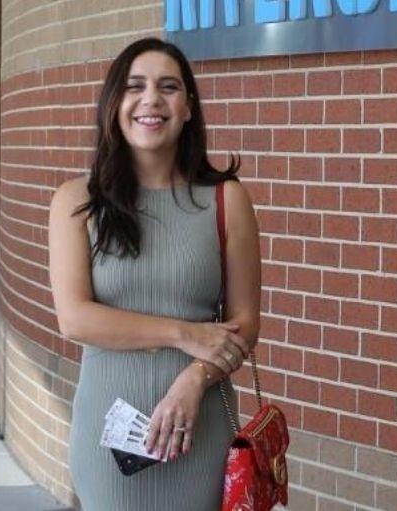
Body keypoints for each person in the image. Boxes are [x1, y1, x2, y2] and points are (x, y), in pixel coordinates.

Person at [48, 37, 262, 510]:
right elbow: (76, 319)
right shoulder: (75, 203)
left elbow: (245, 324)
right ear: (114, 105)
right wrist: (184, 334)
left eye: (169, 87)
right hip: (108, 437)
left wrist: (195, 380)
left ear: (188, 108)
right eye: (134, 87)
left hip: (202, 431)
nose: (151, 100)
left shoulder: (226, 200)